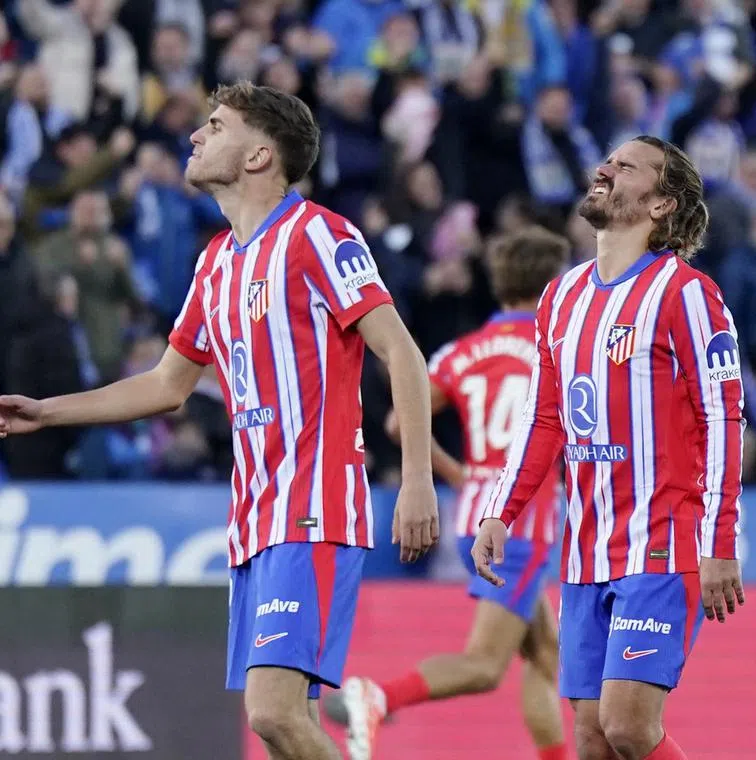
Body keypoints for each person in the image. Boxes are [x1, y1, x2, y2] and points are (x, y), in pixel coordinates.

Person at [0, 82, 440, 760]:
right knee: (285, 726)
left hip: (313, 504)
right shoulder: (215, 262)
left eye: (214, 125)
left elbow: (402, 354)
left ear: (260, 154)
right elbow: (167, 385)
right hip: (254, 520)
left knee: (273, 714)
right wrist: (47, 411)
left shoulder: (318, 234)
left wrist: (416, 480)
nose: (195, 137)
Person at [471, 135, 747, 760]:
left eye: (626, 167)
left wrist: (719, 542)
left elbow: (724, 417)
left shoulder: (686, 294)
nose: (605, 169)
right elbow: (544, 419)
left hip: (663, 539)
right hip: (586, 547)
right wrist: (500, 510)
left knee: (628, 725)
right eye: (607, 161)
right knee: (593, 739)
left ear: (661, 205)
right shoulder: (560, 296)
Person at [326, 225, 571, 760]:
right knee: (484, 666)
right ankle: (377, 696)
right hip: (521, 522)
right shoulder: (560, 348)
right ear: (553, 286)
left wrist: (460, 475)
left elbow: (395, 424)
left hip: (475, 512)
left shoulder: (464, 351)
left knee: (545, 653)